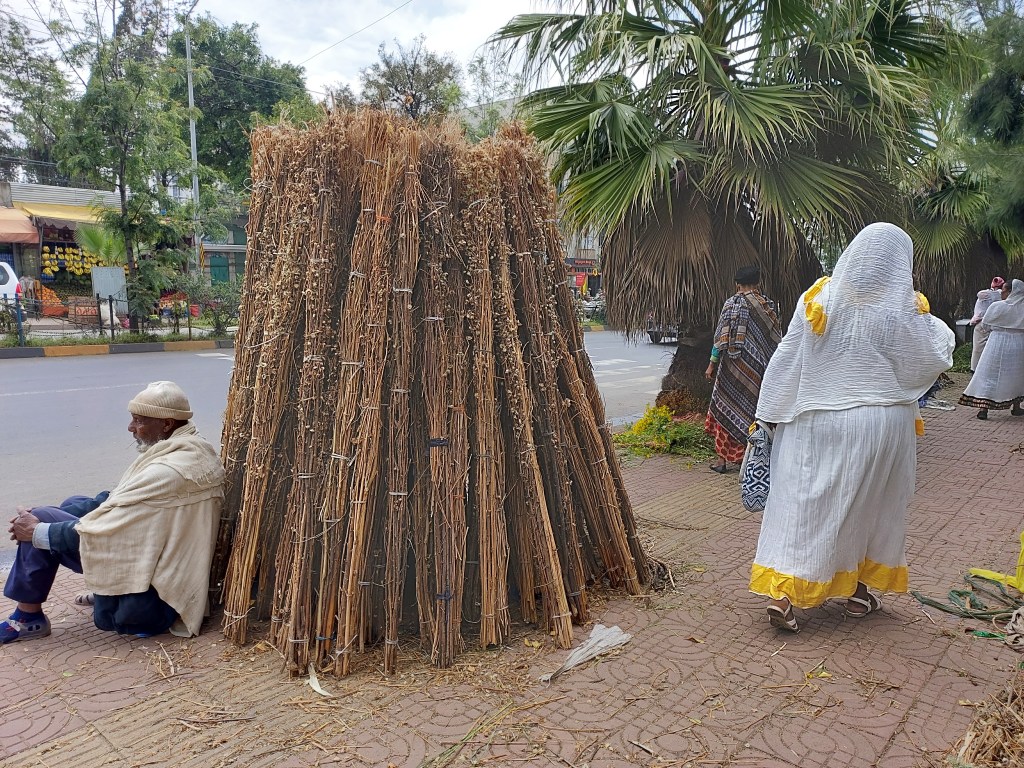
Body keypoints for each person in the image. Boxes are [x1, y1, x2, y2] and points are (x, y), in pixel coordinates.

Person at [749, 223, 954, 633]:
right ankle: (860, 595)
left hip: (815, 419)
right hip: (884, 423)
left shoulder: (818, 297)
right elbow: (934, 356)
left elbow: (787, 357)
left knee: (802, 505)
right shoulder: (906, 308)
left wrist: (768, 413)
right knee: (876, 505)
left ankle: (783, 594)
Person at [2, 381, 225, 644]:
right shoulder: (190, 448)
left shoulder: (168, 471)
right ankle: (101, 584)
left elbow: (107, 527)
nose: (131, 428)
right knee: (66, 506)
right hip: (153, 565)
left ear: (166, 424)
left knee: (43, 524)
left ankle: (28, 619)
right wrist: (46, 517)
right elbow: (114, 499)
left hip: (155, 601)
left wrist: (36, 529)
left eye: (139, 421)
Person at [704, 265, 782, 473]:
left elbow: (721, 338)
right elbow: (776, 340)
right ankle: (748, 460)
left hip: (731, 368)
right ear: (758, 283)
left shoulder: (732, 304)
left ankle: (722, 461)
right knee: (752, 413)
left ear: (737, 283)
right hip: (758, 371)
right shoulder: (767, 306)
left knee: (725, 408)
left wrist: (712, 364)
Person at [959, 278, 1024, 420]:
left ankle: (984, 409)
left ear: (1011, 292)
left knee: (990, 374)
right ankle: (1016, 406)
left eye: (1004, 291)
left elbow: (986, 323)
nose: (1002, 293)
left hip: (997, 342)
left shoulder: (998, 306)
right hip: (1019, 344)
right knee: (1017, 375)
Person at [969, 277, 1005, 372]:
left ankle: (975, 369)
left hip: (982, 323)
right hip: (995, 324)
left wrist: (992, 290)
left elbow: (980, 294)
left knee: (978, 348)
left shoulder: (991, 294)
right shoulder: (1003, 296)